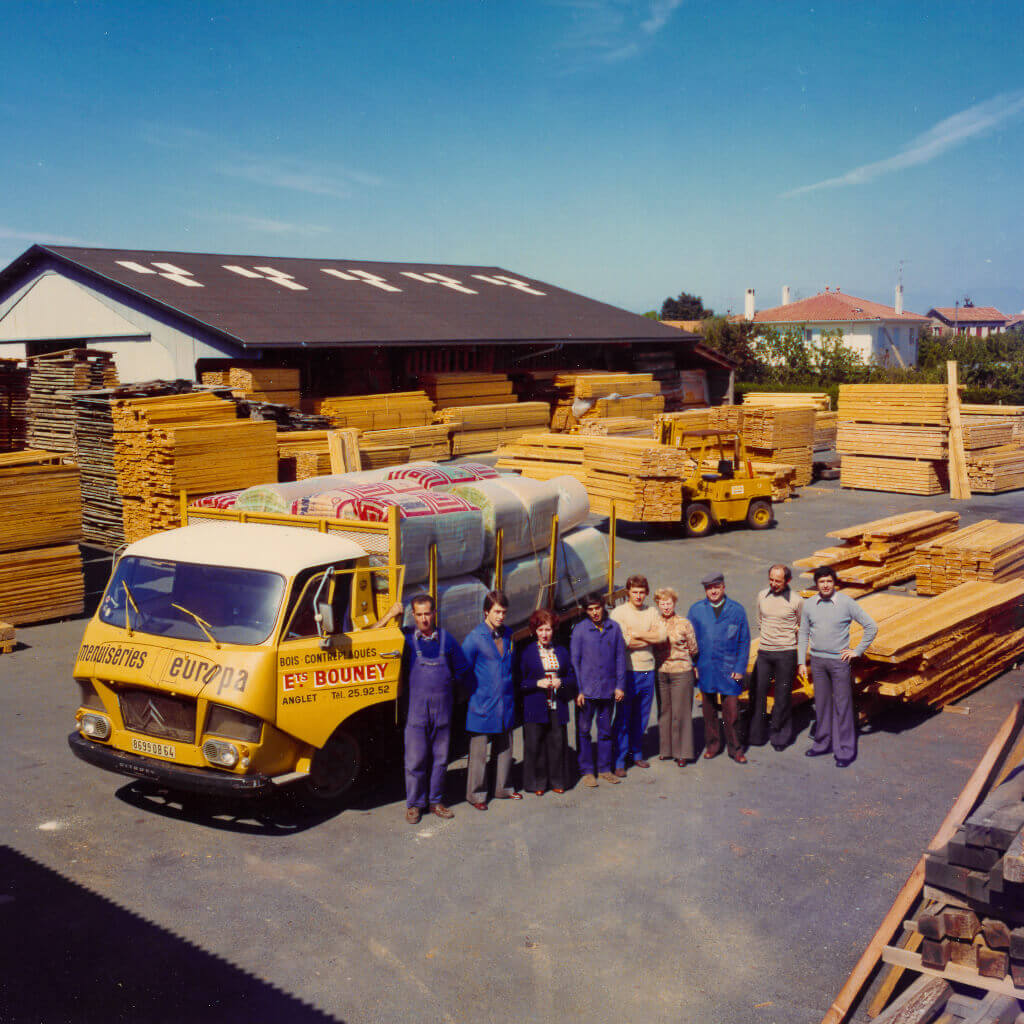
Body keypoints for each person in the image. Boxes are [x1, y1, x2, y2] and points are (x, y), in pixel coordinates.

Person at [399, 594, 470, 824]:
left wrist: (456, 696)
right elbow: (375, 636)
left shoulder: (446, 640)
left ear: (434, 614)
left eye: (427, 614)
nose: (423, 619)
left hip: (443, 710)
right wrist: (391, 616)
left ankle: (436, 801)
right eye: (418, 615)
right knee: (415, 760)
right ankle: (414, 804)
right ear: (413, 616)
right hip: (417, 712)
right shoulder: (407, 639)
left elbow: (462, 670)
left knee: (440, 759)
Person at [799, 566, 878, 768]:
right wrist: (801, 661)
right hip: (817, 661)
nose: (825, 585)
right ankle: (822, 744)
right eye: (821, 581)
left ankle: (844, 751)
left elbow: (871, 626)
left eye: (829, 581)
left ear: (834, 583)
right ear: (816, 584)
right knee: (822, 704)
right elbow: (803, 633)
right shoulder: (809, 605)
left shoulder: (846, 603)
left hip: (839, 662)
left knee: (843, 706)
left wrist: (857, 651)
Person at [462, 590, 519, 809]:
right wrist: (476, 694)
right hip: (482, 703)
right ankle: (477, 795)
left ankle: (503, 788)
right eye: (496, 612)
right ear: (486, 612)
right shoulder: (475, 638)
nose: (501, 616)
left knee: (505, 748)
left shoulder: (508, 635)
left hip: (505, 701)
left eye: (504, 612)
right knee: (478, 753)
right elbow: (464, 670)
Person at [688, 571, 751, 764]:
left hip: (730, 669)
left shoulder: (737, 610)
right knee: (709, 712)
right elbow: (688, 641)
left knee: (732, 713)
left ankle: (736, 749)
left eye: (716, 587)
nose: (713, 591)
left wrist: (740, 668)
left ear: (723, 587)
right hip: (706, 668)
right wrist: (693, 665)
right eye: (709, 588)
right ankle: (712, 746)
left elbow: (744, 641)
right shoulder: (696, 610)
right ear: (705, 590)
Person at [570, 593, 627, 787]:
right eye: (590, 609)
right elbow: (574, 663)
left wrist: (620, 686)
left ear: (603, 607)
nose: (595, 612)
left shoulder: (614, 628)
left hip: (608, 690)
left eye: (597, 608)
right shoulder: (580, 630)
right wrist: (578, 690)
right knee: (584, 731)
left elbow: (620, 658)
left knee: (605, 731)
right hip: (586, 692)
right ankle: (586, 771)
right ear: (586, 611)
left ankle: (604, 769)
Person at [610, 575, 665, 773]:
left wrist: (638, 635)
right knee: (623, 717)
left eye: (642, 592)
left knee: (642, 717)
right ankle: (619, 760)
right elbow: (625, 642)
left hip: (647, 671)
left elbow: (661, 636)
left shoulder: (651, 612)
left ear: (647, 593)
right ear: (628, 593)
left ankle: (637, 752)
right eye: (634, 592)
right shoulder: (618, 613)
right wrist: (648, 639)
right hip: (627, 672)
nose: (638, 596)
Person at [517, 609, 575, 795]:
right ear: (534, 630)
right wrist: (537, 683)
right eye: (541, 629)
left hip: (557, 704)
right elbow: (520, 682)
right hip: (535, 705)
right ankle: (538, 783)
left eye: (548, 629)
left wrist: (562, 682)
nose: (544, 634)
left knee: (557, 743)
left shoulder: (562, 650)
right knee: (536, 745)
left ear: (553, 630)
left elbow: (572, 677)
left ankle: (558, 781)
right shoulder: (527, 653)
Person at [748, 565, 803, 751]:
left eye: (777, 581)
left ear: (787, 581)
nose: (773, 584)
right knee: (758, 693)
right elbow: (759, 621)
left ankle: (779, 737)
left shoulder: (796, 601)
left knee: (782, 696)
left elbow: (802, 626)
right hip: (764, 652)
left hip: (786, 654)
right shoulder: (762, 595)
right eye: (771, 579)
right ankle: (756, 735)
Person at [652, 587, 699, 766]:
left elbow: (693, 648)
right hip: (661, 671)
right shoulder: (654, 623)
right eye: (662, 603)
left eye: (669, 602)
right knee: (665, 711)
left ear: (674, 603)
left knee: (681, 713)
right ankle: (666, 749)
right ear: (657, 604)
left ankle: (682, 752)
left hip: (681, 671)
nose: (666, 606)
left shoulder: (684, 623)